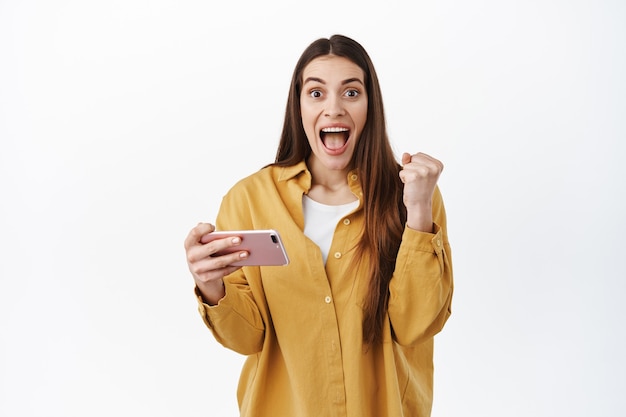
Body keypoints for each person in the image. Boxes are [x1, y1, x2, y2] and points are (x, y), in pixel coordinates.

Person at [184, 34, 453, 417]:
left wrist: (419, 212)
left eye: (351, 93)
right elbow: (248, 339)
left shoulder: (413, 194)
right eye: (316, 93)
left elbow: (416, 325)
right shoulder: (249, 199)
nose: (333, 109)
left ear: (370, 106)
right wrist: (211, 285)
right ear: (298, 107)